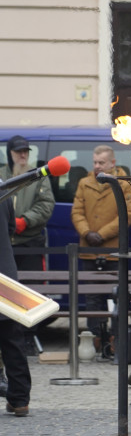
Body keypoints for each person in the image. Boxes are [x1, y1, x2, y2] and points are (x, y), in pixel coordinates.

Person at [71, 145, 131, 345]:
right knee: (92, 297)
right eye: (95, 162)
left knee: (118, 296)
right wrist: (86, 232)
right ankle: (95, 338)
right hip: (89, 250)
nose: (97, 166)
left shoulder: (125, 184)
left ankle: (117, 339)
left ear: (113, 163)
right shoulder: (85, 183)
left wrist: (101, 234)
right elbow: (77, 212)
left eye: (101, 163)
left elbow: (128, 215)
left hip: (114, 250)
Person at [1, 135, 55, 351]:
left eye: (26, 151)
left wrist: (27, 220)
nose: (23, 155)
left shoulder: (38, 177)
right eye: (18, 151)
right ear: (10, 153)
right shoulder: (3, 176)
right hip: (6, 244)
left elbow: (46, 204)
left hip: (31, 240)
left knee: (31, 290)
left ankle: (30, 336)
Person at [0, 192, 31, 415]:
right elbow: (11, 229)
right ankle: (20, 400)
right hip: (5, 273)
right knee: (12, 339)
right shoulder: (6, 190)